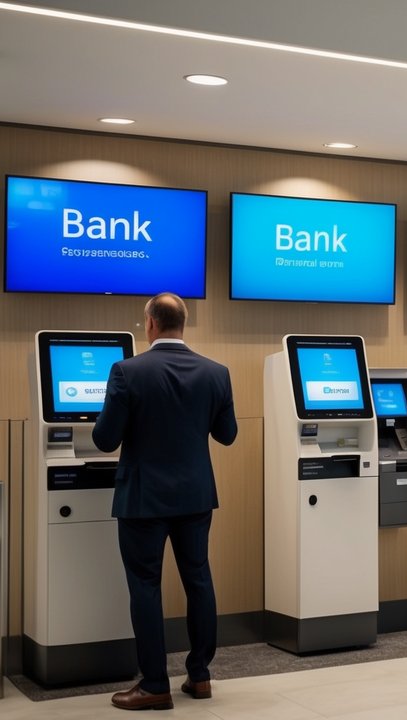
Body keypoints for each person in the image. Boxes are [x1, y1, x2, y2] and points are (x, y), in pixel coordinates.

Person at [93, 293, 238, 709]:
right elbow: (227, 435)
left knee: (145, 587)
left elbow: (105, 440)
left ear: (150, 323)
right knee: (198, 579)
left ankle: (155, 684)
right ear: (183, 324)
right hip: (195, 497)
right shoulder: (216, 373)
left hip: (143, 499)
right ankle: (200, 675)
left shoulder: (127, 371)